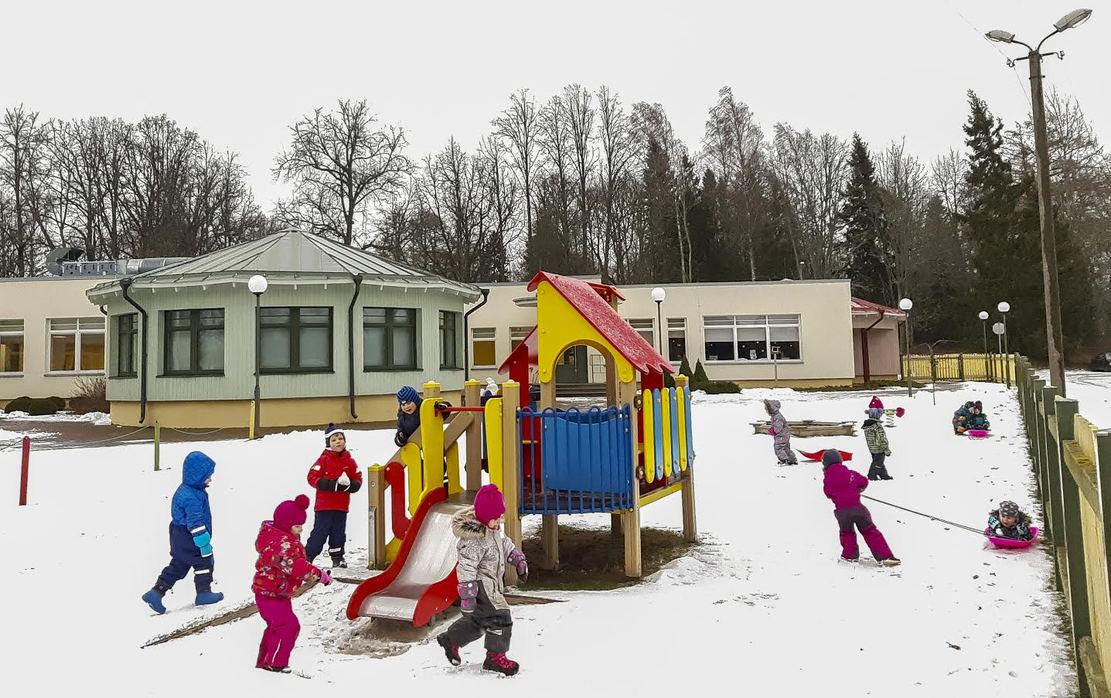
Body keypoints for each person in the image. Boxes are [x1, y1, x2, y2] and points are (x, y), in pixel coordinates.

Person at [436, 484, 529, 676]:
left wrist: (516, 558)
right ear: (485, 517)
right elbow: (466, 567)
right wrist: (468, 596)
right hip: (481, 585)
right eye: (495, 518)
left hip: (490, 584)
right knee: (500, 617)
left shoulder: (493, 529)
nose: (498, 522)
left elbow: (504, 544)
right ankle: (494, 658)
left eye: (500, 517)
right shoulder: (473, 539)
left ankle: (451, 639)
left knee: (478, 621)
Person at [252, 494, 333, 673]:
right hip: (270, 595)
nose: (300, 530)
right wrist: (319, 574)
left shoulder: (280, 537)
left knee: (277, 627)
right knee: (289, 627)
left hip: (276, 593)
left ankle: (264, 662)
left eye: (301, 526)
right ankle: (276, 664)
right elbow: (296, 566)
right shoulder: (281, 544)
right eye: (297, 526)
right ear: (286, 524)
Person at [141, 451, 224, 614]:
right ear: (198, 476)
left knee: (179, 564)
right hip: (189, 536)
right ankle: (204, 592)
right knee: (204, 560)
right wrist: (203, 543)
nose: (210, 479)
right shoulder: (191, 497)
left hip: (179, 535)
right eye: (208, 476)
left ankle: (156, 592)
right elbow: (195, 522)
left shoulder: (189, 490)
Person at [821, 450, 900, 566]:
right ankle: (885, 557)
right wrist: (858, 489)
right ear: (840, 460)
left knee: (847, 533)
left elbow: (828, 493)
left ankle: (850, 556)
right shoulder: (850, 474)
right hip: (858, 509)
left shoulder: (827, 479)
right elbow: (864, 481)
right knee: (870, 531)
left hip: (842, 512)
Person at [305, 423, 362, 568]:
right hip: (324, 506)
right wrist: (327, 484)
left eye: (340, 438)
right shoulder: (323, 460)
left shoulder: (350, 461)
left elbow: (357, 477)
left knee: (338, 533)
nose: (338, 442)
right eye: (334, 439)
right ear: (329, 443)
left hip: (341, 506)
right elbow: (312, 476)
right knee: (320, 532)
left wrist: (351, 486)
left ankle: (337, 557)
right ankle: (308, 556)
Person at [863, 407, 893, 481]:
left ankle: (884, 475)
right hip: (879, 448)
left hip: (872, 448)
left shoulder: (867, 426)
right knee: (878, 462)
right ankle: (872, 475)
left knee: (879, 462)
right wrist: (886, 449)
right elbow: (882, 438)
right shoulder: (877, 425)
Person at [764, 399, 798, 465]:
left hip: (781, 435)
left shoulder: (777, 417)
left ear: (772, 409)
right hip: (785, 434)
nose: (766, 411)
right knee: (785, 448)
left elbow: (778, 428)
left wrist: (772, 430)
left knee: (778, 447)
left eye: (767, 409)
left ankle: (784, 460)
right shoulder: (776, 416)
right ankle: (792, 460)